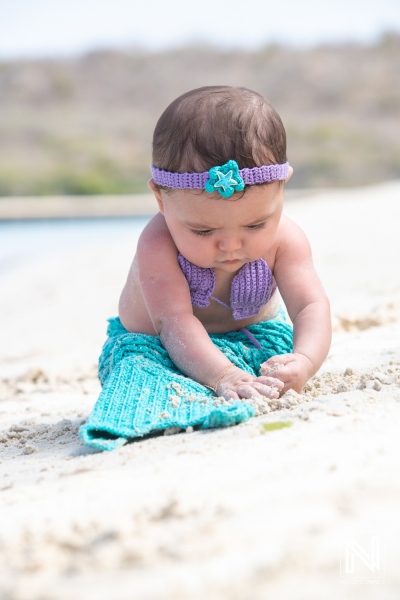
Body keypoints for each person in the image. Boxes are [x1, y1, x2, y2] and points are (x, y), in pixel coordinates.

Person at [80, 86, 331, 450]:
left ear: (282, 189)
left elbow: (311, 305)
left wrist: (305, 360)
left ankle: (239, 382)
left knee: (274, 365)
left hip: (251, 336)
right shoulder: (158, 243)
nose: (231, 245)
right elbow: (174, 322)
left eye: (255, 225)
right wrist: (223, 375)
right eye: (203, 230)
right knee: (139, 375)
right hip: (159, 346)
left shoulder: (287, 239)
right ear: (161, 199)